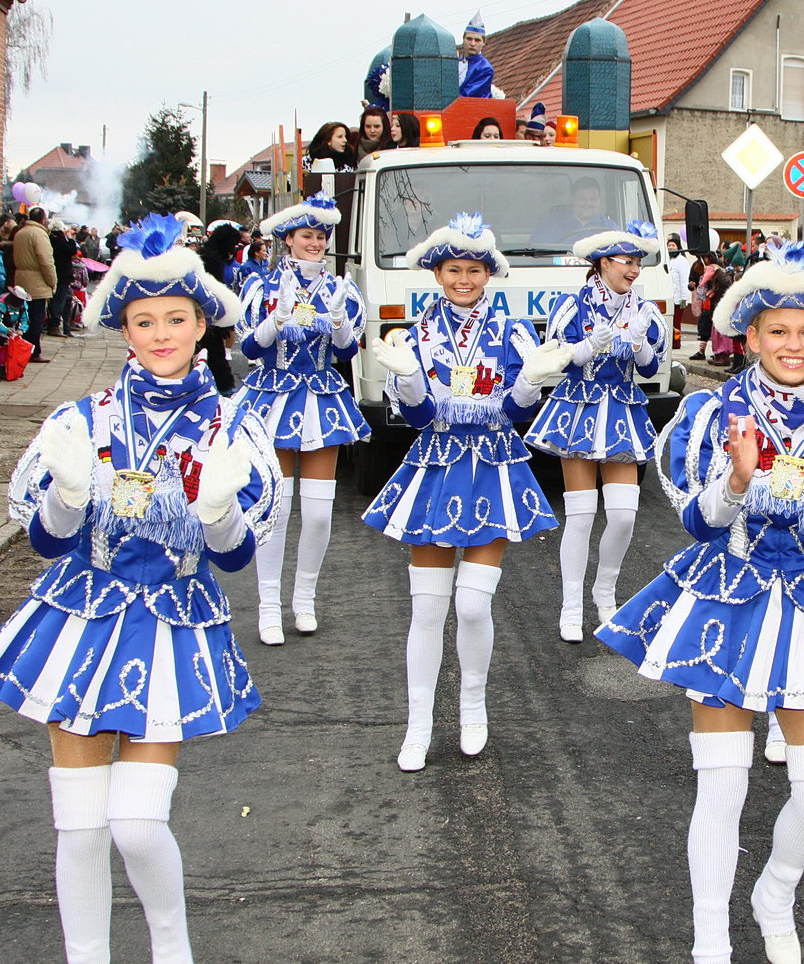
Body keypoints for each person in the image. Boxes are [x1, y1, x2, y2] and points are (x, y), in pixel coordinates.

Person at [0, 214, 281, 964]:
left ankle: (173, 950)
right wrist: (67, 497)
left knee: (137, 825)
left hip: (171, 622)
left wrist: (218, 511)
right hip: (81, 618)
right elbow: (45, 541)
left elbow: (235, 557)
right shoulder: (83, 418)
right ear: (124, 329)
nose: (161, 334)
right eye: (144, 321)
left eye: (176, 318)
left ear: (202, 325)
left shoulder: (231, 425)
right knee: (79, 825)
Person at [596, 240, 804, 964]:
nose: (793, 344)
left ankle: (775, 891)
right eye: (778, 330)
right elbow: (697, 520)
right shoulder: (712, 411)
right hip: (727, 598)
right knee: (722, 784)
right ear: (752, 336)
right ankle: (711, 936)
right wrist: (736, 482)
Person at [363, 213, 558, 769]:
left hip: (493, 468)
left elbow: (516, 413)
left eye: (474, 270)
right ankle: (418, 725)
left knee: (472, 606)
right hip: (435, 467)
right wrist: (406, 378)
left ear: (488, 274)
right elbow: (419, 417)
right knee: (427, 612)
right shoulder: (417, 335)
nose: (464, 280)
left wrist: (529, 381)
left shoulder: (513, 331)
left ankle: (473, 706)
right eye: (454, 270)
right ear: (437, 274)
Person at [236, 191, 371, 644]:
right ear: (288, 239)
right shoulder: (262, 285)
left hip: (319, 398)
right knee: (275, 509)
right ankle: (268, 607)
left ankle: (305, 600)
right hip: (272, 397)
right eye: (306, 236)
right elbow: (249, 348)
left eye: (320, 236)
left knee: (316, 515)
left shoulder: (339, 289)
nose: (315, 243)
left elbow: (347, 353)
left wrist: (340, 324)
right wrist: (274, 321)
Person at [525, 220, 667, 642]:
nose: (635, 270)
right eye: (628, 262)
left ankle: (605, 592)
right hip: (579, 409)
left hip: (621, 409)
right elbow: (559, 359)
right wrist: (588, 346)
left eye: (639, 262)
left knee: (623, 516)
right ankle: (571, 606)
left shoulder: (645, 309)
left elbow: (650, 369)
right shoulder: (572, 306)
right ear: (604, 263)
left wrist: (639, 343)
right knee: (581, 515)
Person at [198, 224, 243, 394]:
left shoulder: (209, 256)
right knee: (214, 351)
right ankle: (223, 386)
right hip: (209, 314)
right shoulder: (210, 260)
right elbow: (215, 290)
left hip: (206, 313)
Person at [14, 206, 57, 363]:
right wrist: (52, 282)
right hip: (36, 282)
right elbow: (46, 261)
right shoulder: (39, 234)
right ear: (43, 219)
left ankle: (23, 349)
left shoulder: (20, 233)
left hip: (20, 279)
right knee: (36, 319)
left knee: (24, 318)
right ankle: (33, 351)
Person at [529, 173, 618, 249]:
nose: (588, 203)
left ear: (600, 200)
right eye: (582, 199)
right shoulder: (551, 225)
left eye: (593, 199)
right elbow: (538, 253)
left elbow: (619, 256)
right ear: (572, 199)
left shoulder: (610, 228)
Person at [49, 220, 81, 338]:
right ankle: (55, 325)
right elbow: (72, 250)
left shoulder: (52, 238)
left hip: (60, 274)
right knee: (59, 301)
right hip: (62, 275)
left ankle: (66, 327)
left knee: (66, 300)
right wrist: (71, 239)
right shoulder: (58, 240)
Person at [458, 11, 497, 98]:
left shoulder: (485, 68)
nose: (472, 44)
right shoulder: (455, 63)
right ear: (463, 39)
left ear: (484, 42)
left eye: (477, 40)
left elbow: (467, 95)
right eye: (469, 39)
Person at [667, 234, 694, 348]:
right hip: (669, 296)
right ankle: (669, 342)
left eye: (673, 245)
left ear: (678, 247)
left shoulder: (682, 261)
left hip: (678, 298)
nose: (671, 247)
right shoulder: (668, 259)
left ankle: (676, 342)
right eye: (669, 245)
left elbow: (684, 281)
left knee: (676, 323)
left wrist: (684, 298)